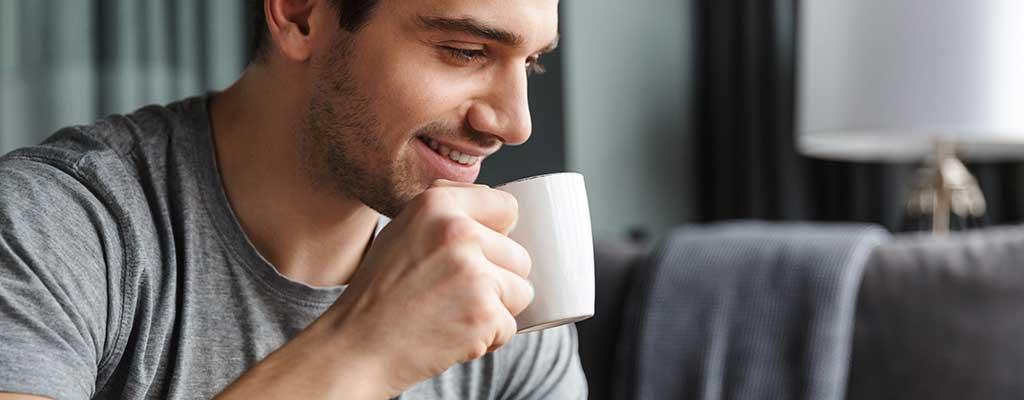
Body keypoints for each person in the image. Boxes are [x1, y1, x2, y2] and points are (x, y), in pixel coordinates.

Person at [0, 0, 586, 398]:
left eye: (530, 62)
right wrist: (362, 348)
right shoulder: (52, 227)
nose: (515, 124)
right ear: (302, 14)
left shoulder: (503, 280)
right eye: (465, 50)